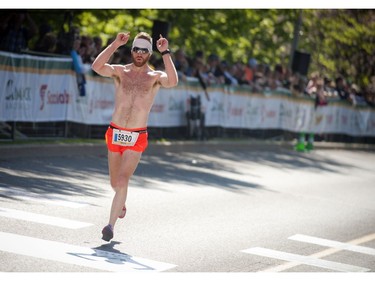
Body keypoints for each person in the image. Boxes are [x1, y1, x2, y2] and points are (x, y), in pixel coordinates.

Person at [91, 31, 178, 242]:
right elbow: (96, 67)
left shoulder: (155, 77)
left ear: (150, 53)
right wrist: (114, 44)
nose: (140, 53)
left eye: (144, 50)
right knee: (114, 182)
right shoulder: (121, 72)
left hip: (136, 135)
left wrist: (165, 52)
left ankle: (110, 226)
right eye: (136, 49)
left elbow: (173, 81)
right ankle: (120, 202)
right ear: (132, 51)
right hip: (115, 131)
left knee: (123, 179)